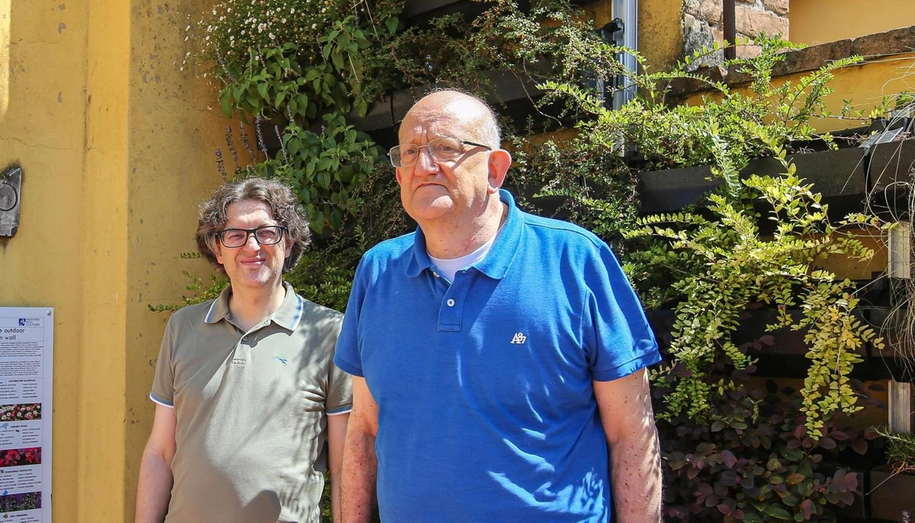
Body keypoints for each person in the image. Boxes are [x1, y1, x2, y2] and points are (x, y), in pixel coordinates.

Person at [335, 90, 663, 523]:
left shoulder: (575, 261)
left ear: (495, 169)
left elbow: (632, 434)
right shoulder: (377, 271)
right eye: (410, 152)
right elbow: (364, 427)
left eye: (445, 149)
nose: (423, 166)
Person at [135, 177, 353, 523]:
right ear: (218, 250)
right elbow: (160, 453)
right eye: (235, 235)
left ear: (289, 241)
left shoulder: (330, 332)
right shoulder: (183, 327)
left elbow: (346, 464)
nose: (252, 247)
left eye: (266, 232)